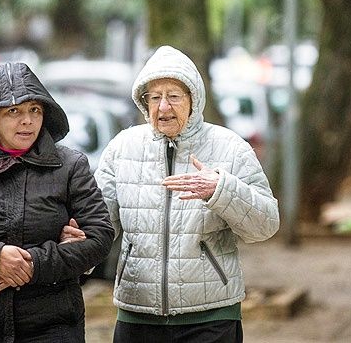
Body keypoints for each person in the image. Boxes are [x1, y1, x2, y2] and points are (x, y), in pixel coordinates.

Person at [93, 45, 280, 342]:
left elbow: (266, 225)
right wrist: (75, 245)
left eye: (174, 96)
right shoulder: (121, 149)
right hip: (137, 313)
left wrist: (221, 190)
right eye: (155, 97)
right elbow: (99, 227)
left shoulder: (230, 148)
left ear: (194, 99)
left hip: (211, 316)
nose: (163, 107)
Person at [0, 62, 115, 343]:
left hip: (53, 325)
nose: (27, 121)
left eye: (34, 110)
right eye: (14, 111)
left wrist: (32, 265)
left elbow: (100, 236)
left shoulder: (70, 166)